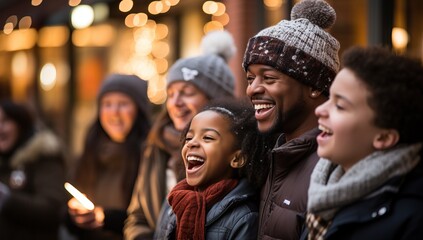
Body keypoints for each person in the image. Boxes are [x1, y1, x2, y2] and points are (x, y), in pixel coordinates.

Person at [241, 0, 341, 239]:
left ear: (314, 86)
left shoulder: (334, 166)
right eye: (250, 78)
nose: (252, 89)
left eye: (268, 77)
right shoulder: (266, 153)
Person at [124, 30, 237, 240]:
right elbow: (137, 217)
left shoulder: (231, 154)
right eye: (171, 93)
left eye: (187, 92)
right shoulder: (156, 144)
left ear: (216, 100)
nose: (175, 103)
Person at [303, 47, 423, 240]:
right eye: (330, 97)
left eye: (340, 106)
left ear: (384, 138)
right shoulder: (324, 191)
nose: (320, 111)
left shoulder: (413, 220)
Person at [155, 98, 260, 239]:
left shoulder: (244, 217)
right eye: (188, 138)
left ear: (237, 159)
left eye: (208, 138)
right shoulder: (172, 202)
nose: (192, 143)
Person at [65, 74, 151, 240]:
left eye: (123, 104)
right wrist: (75, 217)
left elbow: (151, 219)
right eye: (107, 104)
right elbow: (65, 216)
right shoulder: (89, 152)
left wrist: (106, 218)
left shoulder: (150, 155)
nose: (114, 112)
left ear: (139, 110)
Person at [0, 99, 68, 240]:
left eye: (5, 121)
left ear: (20, 124)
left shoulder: (44, 157)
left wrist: (7, 198)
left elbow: (53, 210)